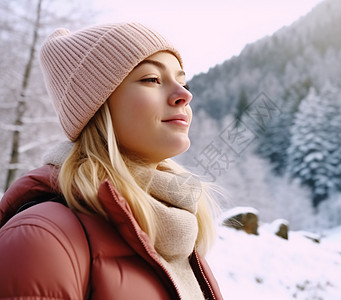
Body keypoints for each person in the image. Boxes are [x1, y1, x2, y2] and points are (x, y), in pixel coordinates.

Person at [0, 22, 223, 300]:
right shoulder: (42, 237)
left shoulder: (176, 232)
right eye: (152, 79)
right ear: (97, 106)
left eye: (183, 81)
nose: (185, 95)